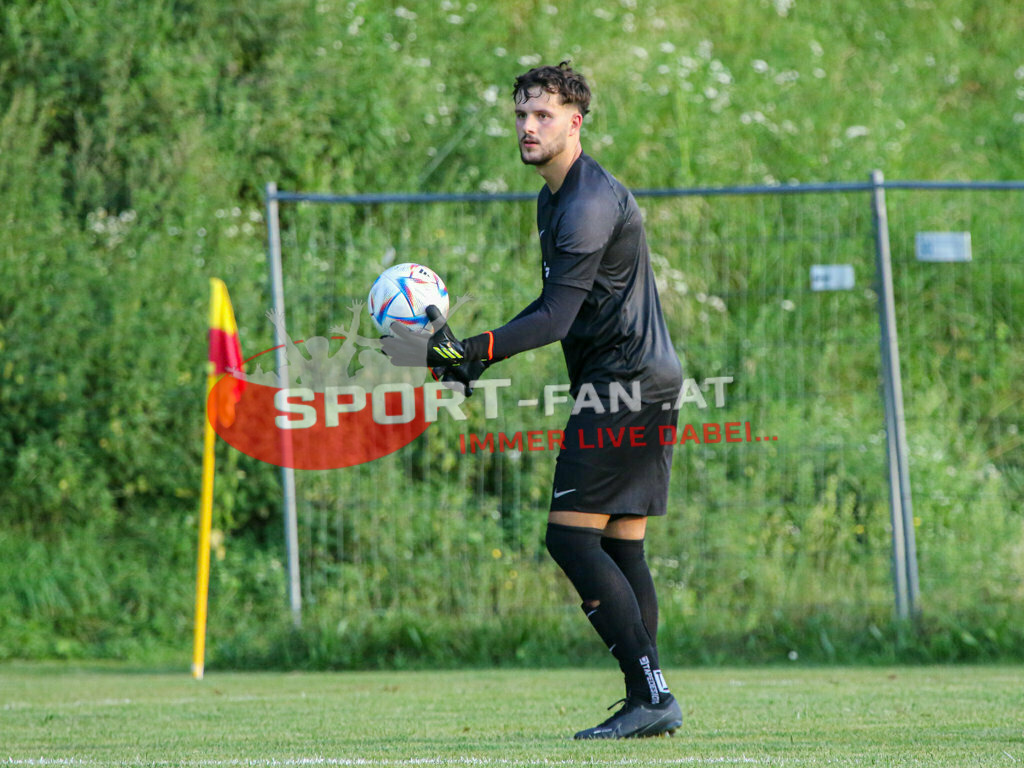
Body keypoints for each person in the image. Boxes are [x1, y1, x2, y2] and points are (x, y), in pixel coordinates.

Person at [386, 61, 683, 739]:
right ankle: (652, 697)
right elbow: (558, 306)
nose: (527, 126)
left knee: (570, 540)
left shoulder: (584, 202)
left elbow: (553, 321)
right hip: (641, 379)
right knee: (622, 547)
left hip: (624, 385)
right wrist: (468, 359)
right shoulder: (555, 196)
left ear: (575, 122)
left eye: (542, 115)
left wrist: (468, 352)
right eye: (521, 114)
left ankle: (650, 695)